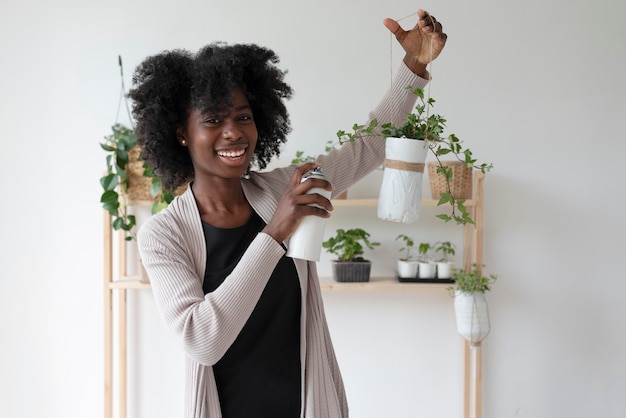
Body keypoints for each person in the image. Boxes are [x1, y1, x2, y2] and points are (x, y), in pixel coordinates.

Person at [130, 8, 447, 418]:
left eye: (243, 116)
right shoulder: (164, 234)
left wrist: (414, 65)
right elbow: (202, 339)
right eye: (213, 120)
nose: (233, 132)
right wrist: (274, 233)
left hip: (307, 406)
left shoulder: (283, 188)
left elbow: (367, 148)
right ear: (180, 134)